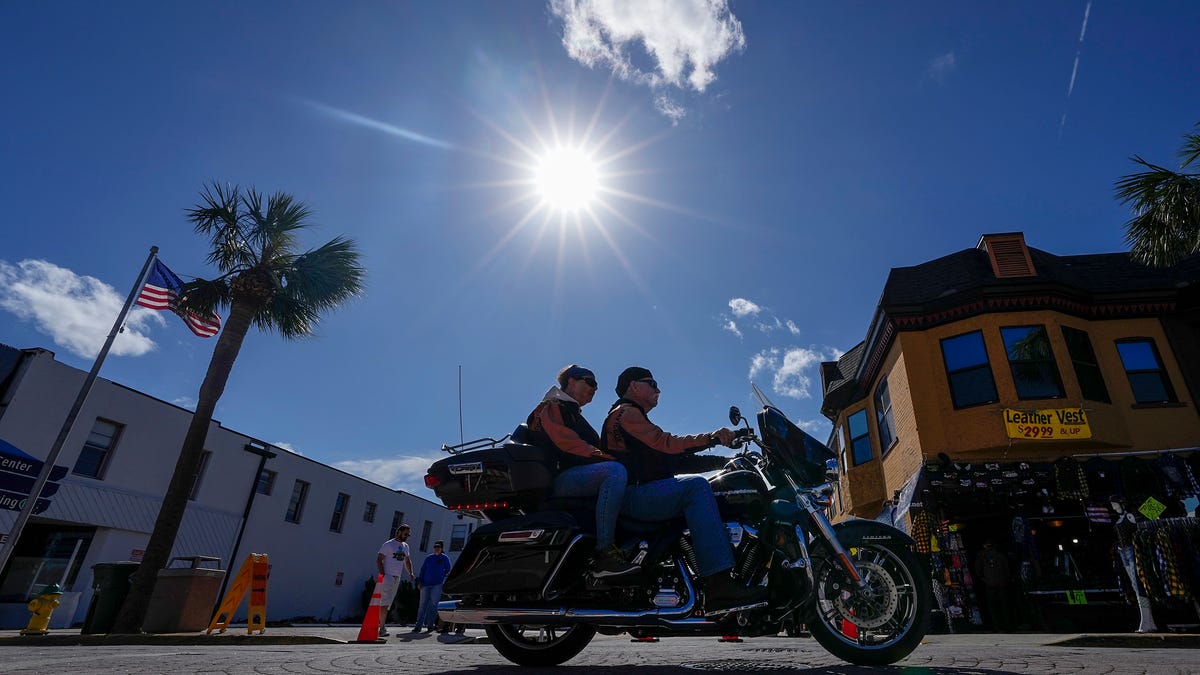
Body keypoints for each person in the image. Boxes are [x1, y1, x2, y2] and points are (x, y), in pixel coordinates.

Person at [601, 366, 768, 613]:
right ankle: (719, 584)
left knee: (702, 488)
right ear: (634, 386)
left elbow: (676, 461)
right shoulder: (625, 413)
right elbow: (668, 444)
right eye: (652, 383)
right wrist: (712, 437)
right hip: (634, 495)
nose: (658, 389)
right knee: (696, 488)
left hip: (645, 493)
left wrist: (725, 462)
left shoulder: (636, 420)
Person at [527, 364, 638, 577]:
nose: (595, 388)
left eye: (596, 385)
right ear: (571, 381)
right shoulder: (550, 407)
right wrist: (611, 460)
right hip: (557, 479)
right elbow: (567, 444)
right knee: (614, 472)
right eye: (590, 382)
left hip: (578, 478)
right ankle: (604, 553)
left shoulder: (572, 413)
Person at [376, 524, 414, 637]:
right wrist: (383, 574)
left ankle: (381, 625)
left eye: (408, 535)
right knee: (384, 602)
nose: (406, 536)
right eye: (405, 534)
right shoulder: (388, 544)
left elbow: (407, 561)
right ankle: (382, 628)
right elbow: (379, 559)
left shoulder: (406, 546)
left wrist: (411, 573)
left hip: (397, 577)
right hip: (388, 575)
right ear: (399, 532)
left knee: (388, 603)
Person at [413, 540, 452, 633]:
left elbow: (448, 569)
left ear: (441, 549)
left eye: (438, 547)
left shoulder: (444, 558)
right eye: (435, 547)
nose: (436, 549)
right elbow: (423, 570)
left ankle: (430, 625)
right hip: (425, 584)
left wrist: (441, 576)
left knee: (433, 605)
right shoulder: (429, 558)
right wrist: (420, 582)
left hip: (437, 585)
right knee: (422, 605)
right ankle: (418, 626)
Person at [973, 539, 1012, 631]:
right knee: (1004, 606)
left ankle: (997, 626)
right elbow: (1007, 570)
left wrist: (984, 579)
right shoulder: (999, 555)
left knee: (993, 607)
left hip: (990, 584)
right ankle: (1007, 626)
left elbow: (978, 571)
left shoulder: (982, 556)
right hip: (1000, 583)